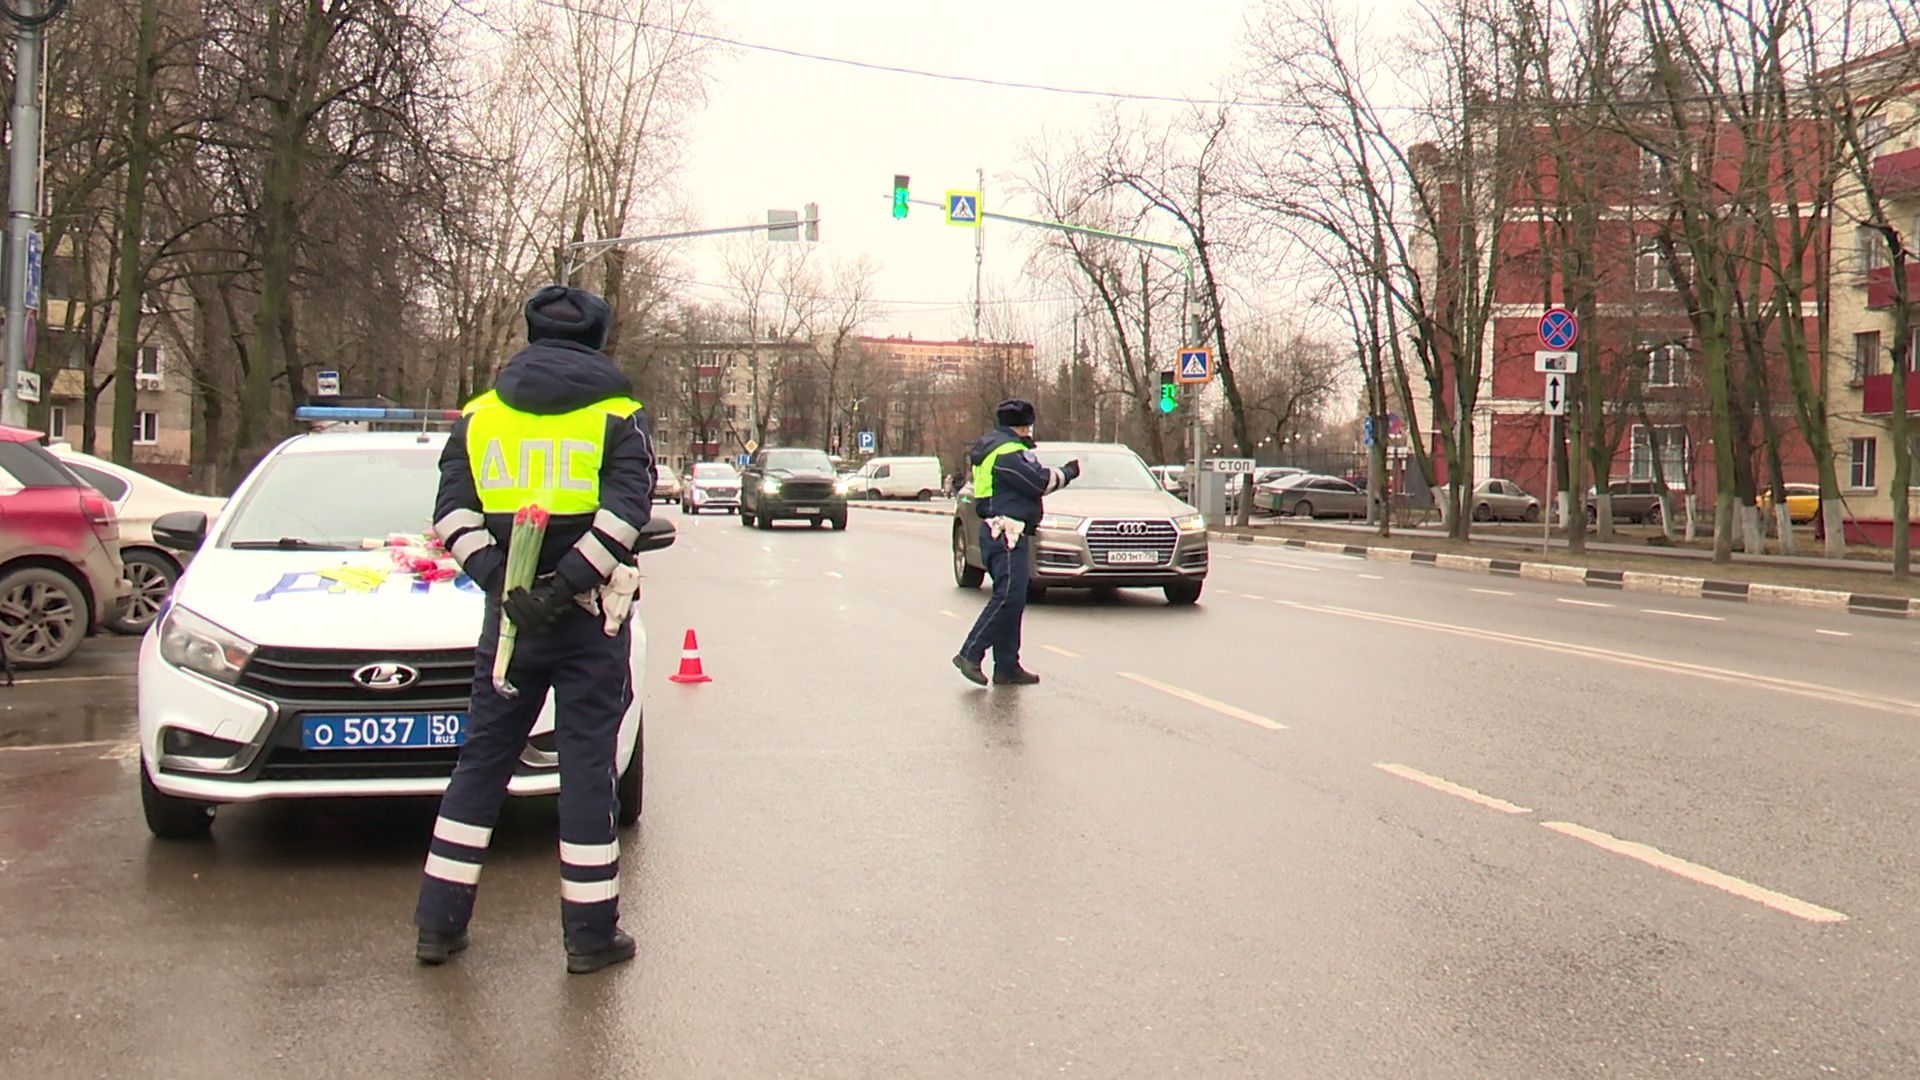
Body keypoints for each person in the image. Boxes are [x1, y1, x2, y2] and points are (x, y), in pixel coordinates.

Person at [413, 285, 656, 974]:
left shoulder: (480, 416)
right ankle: (590, 936)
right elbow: (625, 514)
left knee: (481, 763)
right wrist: (562, 588)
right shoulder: (617, 415)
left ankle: (438, 925)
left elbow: (452, 515)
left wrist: (505, 584)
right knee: (585, 769)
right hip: (588, 618)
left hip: (509, 623)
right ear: (597, 339)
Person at [953, 398, 1078, 687]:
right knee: (1009, 596)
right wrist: (1068, 472)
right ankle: (970, 653)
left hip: (999, 530)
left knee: (1013, 598)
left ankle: (1007, 666)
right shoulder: (1008, 452)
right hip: (1006, 533)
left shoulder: (995, 447)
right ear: (1024, 426)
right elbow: (1039, 482)